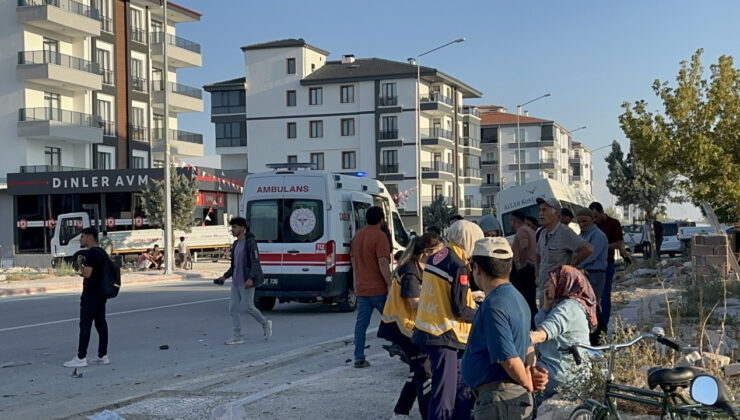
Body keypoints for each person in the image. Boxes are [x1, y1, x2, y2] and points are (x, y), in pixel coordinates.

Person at [461, 237, 547, 419]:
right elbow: (527, 346)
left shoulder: (494, 305)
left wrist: (528, 384)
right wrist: (531, 372)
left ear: (477, 269)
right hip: (506, 399)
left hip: (500, 401)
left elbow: (508, 359)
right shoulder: (517, 298)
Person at [412, 220, 483, 420]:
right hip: (444, 333)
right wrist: (482, 315)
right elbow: (460, 308)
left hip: (429, 328)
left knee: (460, 387)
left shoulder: (437, 257)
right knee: (446, 394)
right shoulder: (459, 264)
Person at [378, 232, 445, 420]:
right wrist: (440, 302)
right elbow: (414, 302)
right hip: (402, 327)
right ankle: (428, 415)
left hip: (410, 326)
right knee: (425, 371)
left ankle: (400, 411)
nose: (441, 256)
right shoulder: (410, 271)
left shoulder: (422, 267)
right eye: (438, 252)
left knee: (417, 369)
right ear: (426, 252)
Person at [530, 265, 597, 401]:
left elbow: (543, 334)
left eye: (551, 281)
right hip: (564, 369)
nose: (547, 285)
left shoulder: (568, 308)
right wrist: (546, 306)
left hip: (563, 373)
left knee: (514, 378)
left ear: (564, 282)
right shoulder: (565, 305)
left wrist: (518, 340)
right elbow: (543, 324)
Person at [215, 217, 272, 344]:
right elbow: (234, 265)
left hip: (246, 281)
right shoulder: (235, 244)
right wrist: (224, 277)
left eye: (235, 227)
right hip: (236, 281)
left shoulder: (250, 242)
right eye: (232, 227)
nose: (233, 230)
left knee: (248, 308)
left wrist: (251, 278)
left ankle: (265, 323)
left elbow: (255, 262)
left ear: (242, 228)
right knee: (233, 309)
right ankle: (237, 336)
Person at [350, 206, 392, 368]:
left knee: (361, 325)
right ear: (381, 220)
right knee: (393, 320)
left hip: (362, 288)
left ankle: (358, 356)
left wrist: (355, 283)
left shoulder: (357, 237)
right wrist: (389, 283)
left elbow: (354, 262)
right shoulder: (380, 236)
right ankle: (403, 349)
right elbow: (383, 262)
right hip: (378, 289)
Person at [64, 227, 111, 367]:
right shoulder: (102, 252)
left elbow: (87, 274)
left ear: (90, 237)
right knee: (101, 324)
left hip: (91, 295)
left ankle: (81, 357)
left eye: (82, 237)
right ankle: (103, 355)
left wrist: (80, 265)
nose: (81, 239)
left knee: (85, 324)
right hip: (101, 294)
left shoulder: (91, 254)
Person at [536, 197, 593, 304]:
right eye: (540, 210)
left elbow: (588, 249)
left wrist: (571, 267)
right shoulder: (543, 233)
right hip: (544, 288)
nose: (540, 214)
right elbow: (538, 254)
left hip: (559, 291)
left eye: (544, 210)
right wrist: (537, 274)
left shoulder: (565, 232)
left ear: (556, 214)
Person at [589, 202, 624, 332]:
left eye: (596, 216)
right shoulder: (593, 227)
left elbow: (619, 243)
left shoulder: (613, 224)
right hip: (592, 266)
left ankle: (604, 324)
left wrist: (602, 246)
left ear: (602, 211)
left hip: (606, 264)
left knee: (605, 295)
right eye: (593, 218)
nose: (595, 220)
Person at [510, 210, 538, 327]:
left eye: (511, 221)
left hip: (525, 269)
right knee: (530, 300)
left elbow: (523, 247)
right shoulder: (531, 231)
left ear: (514, 220)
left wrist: (520, 265)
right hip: (532, 268)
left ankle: (527, 325)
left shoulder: (522, 231)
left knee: (524, 300)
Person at [575, 209, 608, 300]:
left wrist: (573, 265)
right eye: (579, 222)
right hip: (582, 273)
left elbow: (590, 256)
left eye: (584, 221)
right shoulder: (581, 235)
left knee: (592, 304)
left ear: (593, 220)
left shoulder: (598, 236)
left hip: (595, 274)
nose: (581, 224)